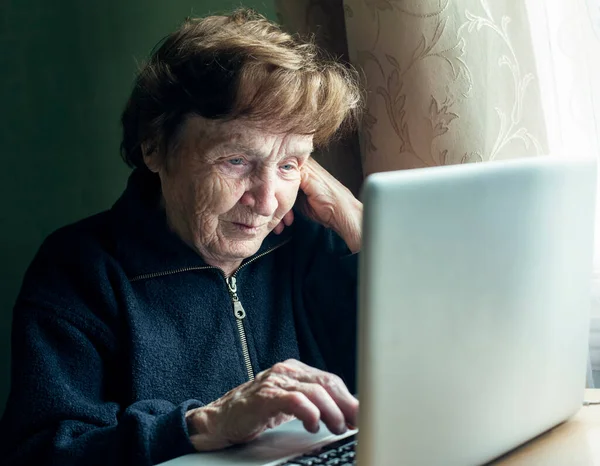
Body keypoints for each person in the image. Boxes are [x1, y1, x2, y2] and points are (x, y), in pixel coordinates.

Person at [0, 8, 363, 466]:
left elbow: (442, 375)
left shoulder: (318, 246)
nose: (268, 201)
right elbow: (38, 453)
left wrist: (362, 228)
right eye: (236, 161)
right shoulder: (80, 271)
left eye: (290, 164)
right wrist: (203, 425)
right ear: (154, 146)